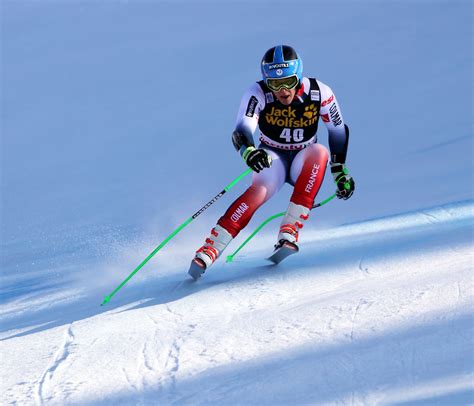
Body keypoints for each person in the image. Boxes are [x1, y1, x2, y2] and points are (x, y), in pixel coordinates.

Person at [188, 45, 355, 279]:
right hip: (272, 157)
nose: (283, 90)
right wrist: (249, 151)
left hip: (303, 159)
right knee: (258, 192)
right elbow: (241, 129)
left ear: (298, 76)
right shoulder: (257, 92)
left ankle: (289, 230)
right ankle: (211, 248)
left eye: (288, 81)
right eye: (275, 84)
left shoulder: (320, 92)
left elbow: (337, 129)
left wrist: (339, 170)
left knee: (319, 152)